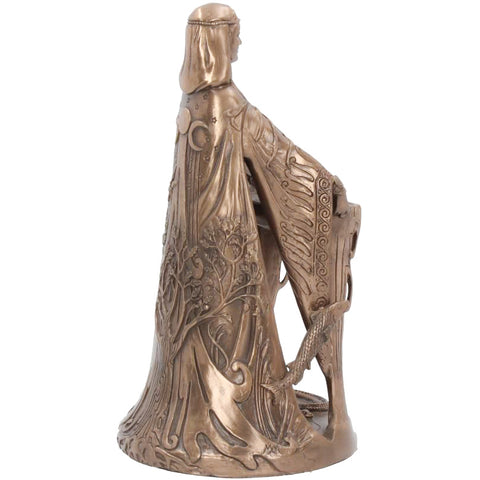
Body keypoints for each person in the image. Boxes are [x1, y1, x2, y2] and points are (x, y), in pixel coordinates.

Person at [118, 4, 359, 476]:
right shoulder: (230, 106)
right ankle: (246, 417)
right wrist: (329, 186)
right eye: (235, 35)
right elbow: (285, 162)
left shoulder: (190, 106)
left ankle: (178, 416)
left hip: (192, 262)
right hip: (229, 260)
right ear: (218, 43)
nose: (240, 44)